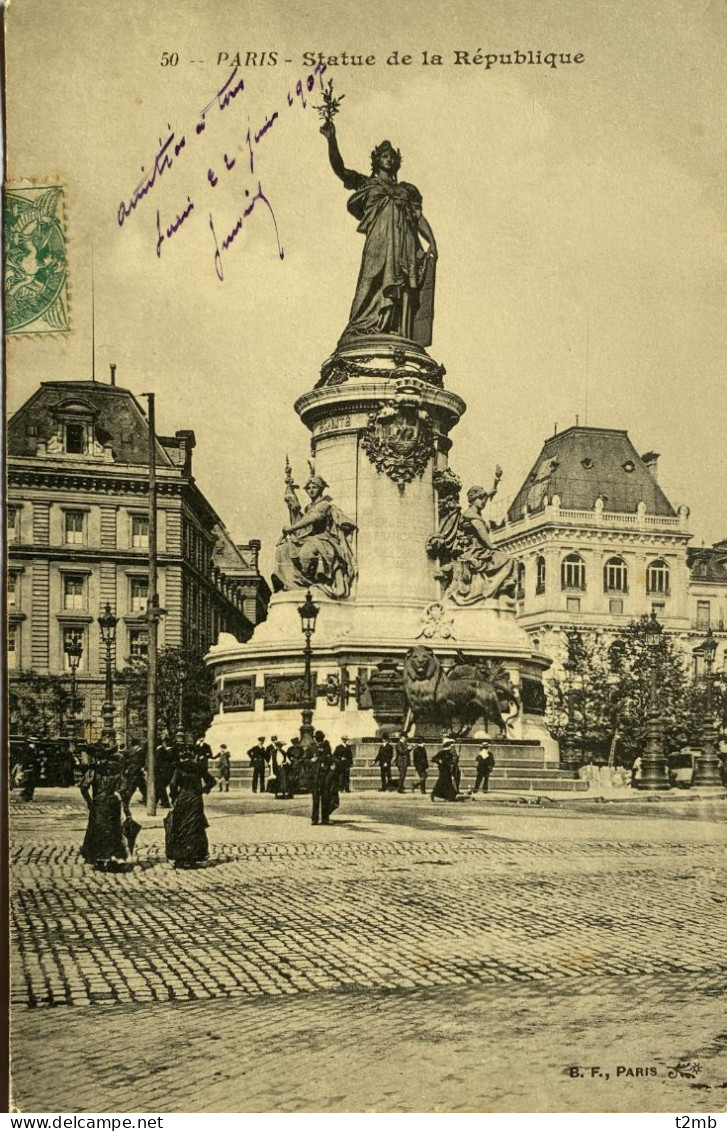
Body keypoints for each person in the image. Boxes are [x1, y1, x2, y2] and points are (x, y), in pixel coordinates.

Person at [321, 120, 438, 347]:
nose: (389, 159)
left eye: (392, 157)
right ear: (377, 161)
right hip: (379, 241)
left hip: (405, 243)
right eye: (385, 156)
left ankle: (397, 330)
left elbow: (418, 218)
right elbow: (340, 170)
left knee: (402, 284)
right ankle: (361, 325)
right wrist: (331, 139)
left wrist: (432, 241)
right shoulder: (366, 183)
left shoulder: (407, 190)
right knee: (371, 279)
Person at [274, 475, 357, 599]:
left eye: (314, 487)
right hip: (311, 538)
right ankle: (295, 584)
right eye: (309, 488)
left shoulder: (324, 504)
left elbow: (313, 518)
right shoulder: (309, 507)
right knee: (283, 548)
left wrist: (292, 528)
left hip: (325, 540)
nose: (311, 490)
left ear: (321, 489)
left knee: (307, 553)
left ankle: (318, 582)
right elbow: (305, 522)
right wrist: (293, 506)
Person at [80, 745, 135, 872]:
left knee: (98, 829)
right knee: (114, 829)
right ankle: (114, 857)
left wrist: (89, 802)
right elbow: (124, 790)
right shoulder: (118, 770)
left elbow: (83, 787)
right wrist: (125, 807)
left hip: (99, 804)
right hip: (113, 804)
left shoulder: (93, 770)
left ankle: (100, 858)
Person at [165, 740, 216, 869]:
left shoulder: (179, 767)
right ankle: (193, 857)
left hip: (183, 798)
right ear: (193, 755)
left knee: (180, 826)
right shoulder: (199, 767)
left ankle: (180, 858)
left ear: (181, 756)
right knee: (195, 826)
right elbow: (212, 781)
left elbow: (172, 784)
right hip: (196, 799)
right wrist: (203, 790)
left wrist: (173, 796)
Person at [309, 731, 339, 825]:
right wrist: (311, 760)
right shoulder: (312, 747)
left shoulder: (326, 747)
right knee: (316, 799)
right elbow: (305, 760)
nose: (318, 740)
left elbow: (330, 758)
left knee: (325, 797)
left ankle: (325, 819)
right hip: (315, 776)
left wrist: (332, 765)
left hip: (325, 776)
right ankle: (315, 819)